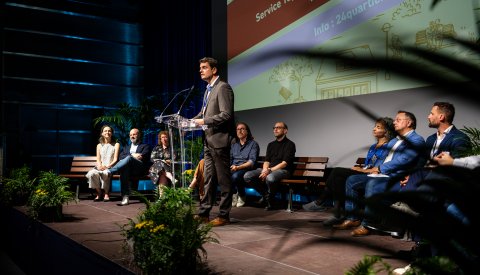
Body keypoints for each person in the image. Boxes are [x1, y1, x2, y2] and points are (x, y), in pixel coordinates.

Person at [334, 110, 426, 236]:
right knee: (352, 180)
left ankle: (367, 224)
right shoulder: (394, 141)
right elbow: (383, 158)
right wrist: (372, 169)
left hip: (397, 178)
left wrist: (379, 169)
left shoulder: (417, 140)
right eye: (394, 120)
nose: (394, 122)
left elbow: (404, 160)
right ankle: (353, 218)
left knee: (372, 183)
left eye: (398, 120)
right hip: (383, 175)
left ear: (409, 122)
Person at [302, 118, 396, 226]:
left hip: (375, 175)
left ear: (387, 131)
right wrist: (363, 169)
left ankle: (322, 203)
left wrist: (363, 170)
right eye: (375, 126)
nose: (374, 129)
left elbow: (381, 166)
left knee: (337, 172)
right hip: (366, 172)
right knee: (337, 178)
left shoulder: (389, 146)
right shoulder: (373, 147)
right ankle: (337, 214)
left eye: (378, 127)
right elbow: (367, 164)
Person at [192, 57, 235, 226]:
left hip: (219, 140)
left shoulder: (222, 87)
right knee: (208, 179)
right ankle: (204, 213)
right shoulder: (208, 90)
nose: (200, 70)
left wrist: (203, 122)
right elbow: (204, 115)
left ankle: (224, 215)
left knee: (224, 180)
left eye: (204, 67)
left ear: (214, 70)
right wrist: (188, 121)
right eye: (200, 67)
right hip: (208, 141)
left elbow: (226, 114)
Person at [244, 121, 296, 211]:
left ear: (285, 131)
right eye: (274, 128)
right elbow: (267, 161)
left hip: (283, 170)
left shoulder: (290, 144)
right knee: (247, 176)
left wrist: (269, 171)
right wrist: (265, 170)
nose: (275, 129)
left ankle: (269, 199)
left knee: (270, 178)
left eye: (278, 127)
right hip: (269, 169)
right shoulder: (271, 144)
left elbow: (284, 163)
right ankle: (267, 196)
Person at [108, 128, 152, 206]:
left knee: (128, 159)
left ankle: (111, 171)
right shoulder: (126, 147)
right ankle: (125, 197)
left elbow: (143, 156)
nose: (132, 136)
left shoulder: (145, 146)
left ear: (139, 135)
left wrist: (130, 157)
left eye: (134, 134)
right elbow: (121, 157)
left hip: (140, 169)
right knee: (125, 168)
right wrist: (133, 155)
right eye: (131, 135)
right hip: (128, 170)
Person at [85, 125, 120, 202]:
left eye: (109, 131)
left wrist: (107, 166)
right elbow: (98, 159)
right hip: (100, 166)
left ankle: (106, 193)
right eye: (105, 131)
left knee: (105, 173)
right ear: (102, 133)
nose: (107, 132)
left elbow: (115, 159)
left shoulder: (116, 144)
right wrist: (100, 166)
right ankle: (99, 192)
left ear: (112, 133)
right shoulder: (99, 146)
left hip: (110, 167)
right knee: (92, 173)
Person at [231, 122, 260, 207]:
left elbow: (251, 161)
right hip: (234, 167)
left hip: (246, 168)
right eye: (238, 129)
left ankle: (241, 194)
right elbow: (230, 159)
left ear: (247, 131)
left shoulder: (253, 144)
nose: (240, 131)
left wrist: (238, 167)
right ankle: (233, 194)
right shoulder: (234, 145)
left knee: (236, 176)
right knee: (224, 174)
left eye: (242, 129)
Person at [149, 131, 176, 197]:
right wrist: (162, 161)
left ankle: (162, 197)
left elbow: (174, 159)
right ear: (160, 139)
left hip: (168, 167)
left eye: (166, 137)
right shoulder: (156, 148)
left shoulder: (172, 149)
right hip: (155, 168)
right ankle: (171, 178)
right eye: (162, 137)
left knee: (162, 175)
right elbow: (152, 159)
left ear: (169, 138)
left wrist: (170, 161)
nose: (164, 139)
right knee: (160, 163)